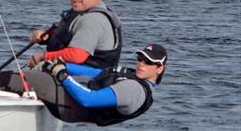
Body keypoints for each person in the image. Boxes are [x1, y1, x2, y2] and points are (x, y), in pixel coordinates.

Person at [35, 43, 168, 125]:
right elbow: (96, 73)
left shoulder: (135, 90)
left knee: (20, 79)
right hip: (67, 96)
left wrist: (62, 75)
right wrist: (61, 65)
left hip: (70, 107)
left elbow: (88, 100)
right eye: (140, 59)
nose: (141, 64)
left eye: (148, 62)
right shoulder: (133, 75)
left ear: (160, 68)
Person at [27, 0, 122, 70]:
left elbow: (76, 55)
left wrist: (42, 58)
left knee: (10, 80)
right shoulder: (81, 13)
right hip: (67, 75)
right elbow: (68, 37)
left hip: (88, 81)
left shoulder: (94, 20)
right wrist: (47, 37)